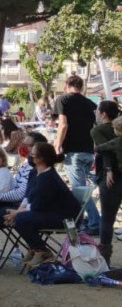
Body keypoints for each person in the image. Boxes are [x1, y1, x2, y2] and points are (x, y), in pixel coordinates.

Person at [4, 142, 83, 272]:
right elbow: (27, 196)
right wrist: (18, 211)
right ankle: (35, 247)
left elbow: (37, 206)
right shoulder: (35, 172)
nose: (29, 156)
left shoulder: (49, 178)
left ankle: (42, 250)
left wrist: (17, 213)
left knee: (21, 219)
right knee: (18, 217)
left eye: (32, 154)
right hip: (49, 212)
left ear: (41, 159)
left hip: (65, 217)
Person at [53, 75, 100, 235]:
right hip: (88, 150)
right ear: (81, 86)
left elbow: (63, 124)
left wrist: (57, 144)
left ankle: (94, 223)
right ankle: (87, 221)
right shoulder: (90, 103)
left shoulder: (63, 100)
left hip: (73, 151)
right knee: (84, 190)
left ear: (67, 85)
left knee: (80, 191)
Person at [91, 101, 122, 265]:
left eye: (97, 110)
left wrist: (109, 169)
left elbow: (105, 151)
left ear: (103, 113)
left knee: (107, 219)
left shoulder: (98, 130)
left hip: (111, 177)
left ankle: (104, 258)